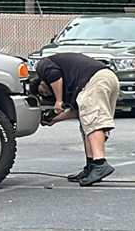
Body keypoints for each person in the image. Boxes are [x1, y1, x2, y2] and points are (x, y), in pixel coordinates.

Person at [36, 53, 119, 185]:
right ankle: (91, 167)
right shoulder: (72, 83)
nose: (44, 93)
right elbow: (77, 112)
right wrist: (53, 120)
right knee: (87, 122)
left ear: (40, 81)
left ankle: (100, 163)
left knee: (93, 120)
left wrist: (58, 101)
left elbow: (54, 75)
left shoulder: (42, 65)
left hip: (96, 78)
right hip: (107, 78)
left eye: (42, 91)